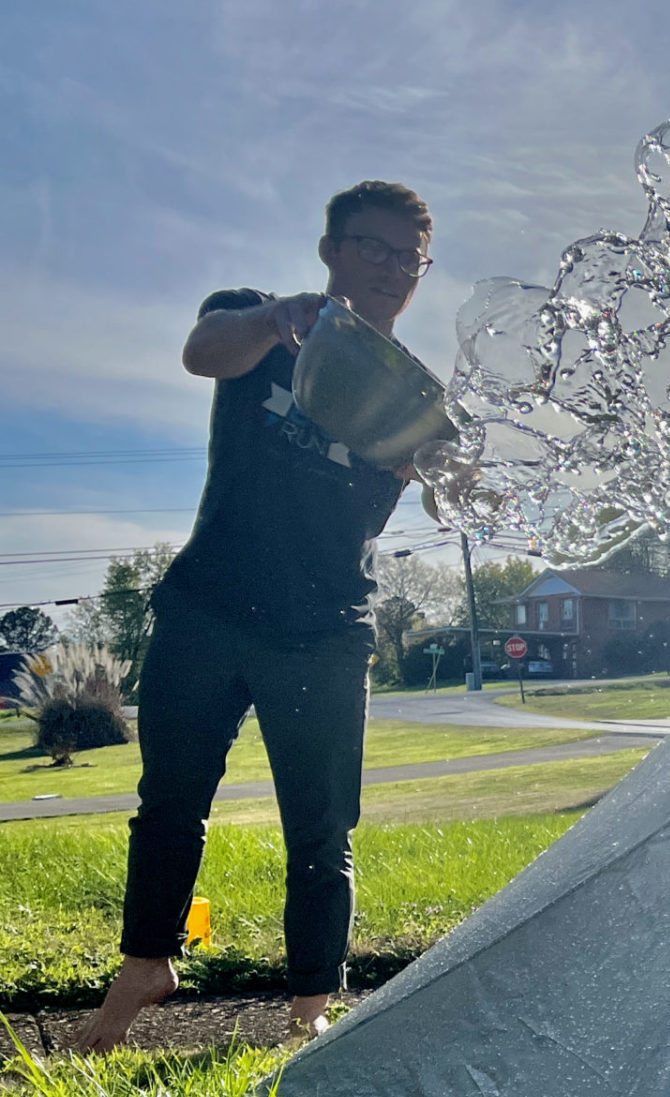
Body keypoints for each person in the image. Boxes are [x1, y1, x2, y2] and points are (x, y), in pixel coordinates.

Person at [77, 181, 435, 1052]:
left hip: (323, 631)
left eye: (408, 257)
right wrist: (281, 315)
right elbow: (204, 353)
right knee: (168, 804)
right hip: (208, 609)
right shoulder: (255, 321)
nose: (390, 269)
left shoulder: (411, 398)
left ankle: (311, 1012)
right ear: (331, 249)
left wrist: (444, 470)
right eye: (372, 247)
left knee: (321, 828)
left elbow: (401, 509)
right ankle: (143, 972)